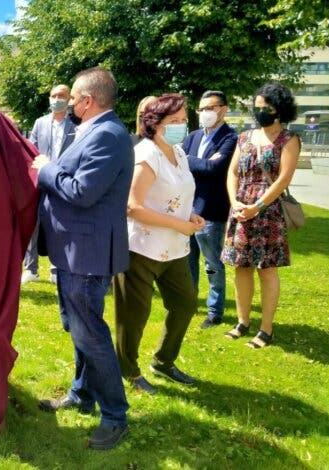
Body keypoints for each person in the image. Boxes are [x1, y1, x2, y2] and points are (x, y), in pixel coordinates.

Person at [33, 67, 133, 450]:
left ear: (87, 101)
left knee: (91, 335)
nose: (69, 103)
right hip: (73, 248)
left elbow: (82, 191)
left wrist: (46, 169)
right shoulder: (94, 130)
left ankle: (115, 416)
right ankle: (82, 394)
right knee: (79, 331)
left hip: (86, 254)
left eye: (73, 98)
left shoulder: (107, 134)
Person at [114, 93, 203, 396]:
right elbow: (132, 206)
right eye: (174, 120)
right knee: (134, 316)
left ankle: (164, 361)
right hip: (142, 249)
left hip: (174, 248)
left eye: (184, 119)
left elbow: (176, 194)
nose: (181, 125)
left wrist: (188, 215)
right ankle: (128, 370)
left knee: (186, 303)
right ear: (155, 123)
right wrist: (179, 224)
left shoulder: (178, 152)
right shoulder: (146, 154)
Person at [221, 83, 300, 349]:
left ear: (280, 109)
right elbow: (233, 172)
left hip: (268, 212)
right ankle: (242, 322)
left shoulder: (289, 140)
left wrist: (257, 206)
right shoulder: (244, 138)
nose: (260, 112)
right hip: (241, 210)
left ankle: (266, 330)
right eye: (257, 107)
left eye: (266, 107)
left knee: (267, 270)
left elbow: (283, 179)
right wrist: (234, 202)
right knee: (241, 267)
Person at [182, 91, 238, 328]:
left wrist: (187, 159)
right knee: (187, 262)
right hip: (187, 210)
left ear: (223, 109)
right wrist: (198, 162)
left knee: (212, 264)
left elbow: (214, 168)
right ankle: (189, 303)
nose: (204, 113)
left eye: (210, 108)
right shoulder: (193, 136)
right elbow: (180, 164)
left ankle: (215, 311)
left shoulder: (231, 138)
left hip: (211, 211)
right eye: (201, 109)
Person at [21, 84, 75, 284]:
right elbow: (32, 149)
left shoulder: (76, 125)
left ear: (69, 99)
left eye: (61, 96)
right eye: (53, 95)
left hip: (63, 181)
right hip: (41, 180)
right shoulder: (40, 123)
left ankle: (56, 268)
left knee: (58, 225)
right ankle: (31, 269)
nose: (56, 99)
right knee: (33, 223)